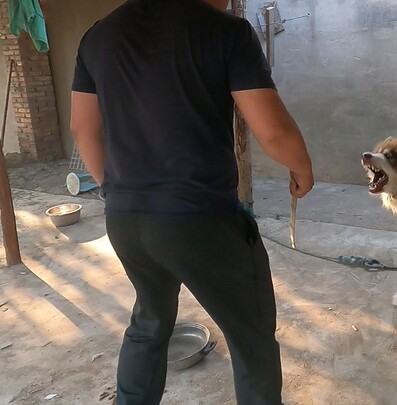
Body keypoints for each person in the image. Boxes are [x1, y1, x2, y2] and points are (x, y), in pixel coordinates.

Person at [70, 0, 313, 403]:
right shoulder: (226, 32)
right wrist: (302, 168)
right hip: (202, 222)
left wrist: (116, 190)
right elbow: (271, 130)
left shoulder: (98, 36)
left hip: (127, 221)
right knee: (251, 338)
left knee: (149, 323)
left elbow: (83, 128)